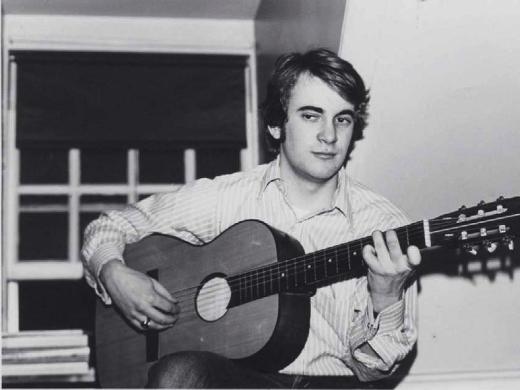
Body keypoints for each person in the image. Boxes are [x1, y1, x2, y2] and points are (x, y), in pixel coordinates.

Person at [82, 48, 420, 389]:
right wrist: (113, 273)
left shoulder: (384, 227)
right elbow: (111, 225)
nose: (329, 136)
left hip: (331, 382)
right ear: (276, 125)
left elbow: (372, 372)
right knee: (178, 376)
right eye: (311, 116)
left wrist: (385, 298)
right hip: (241, 379)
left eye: (342, 119)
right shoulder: (226, 197)